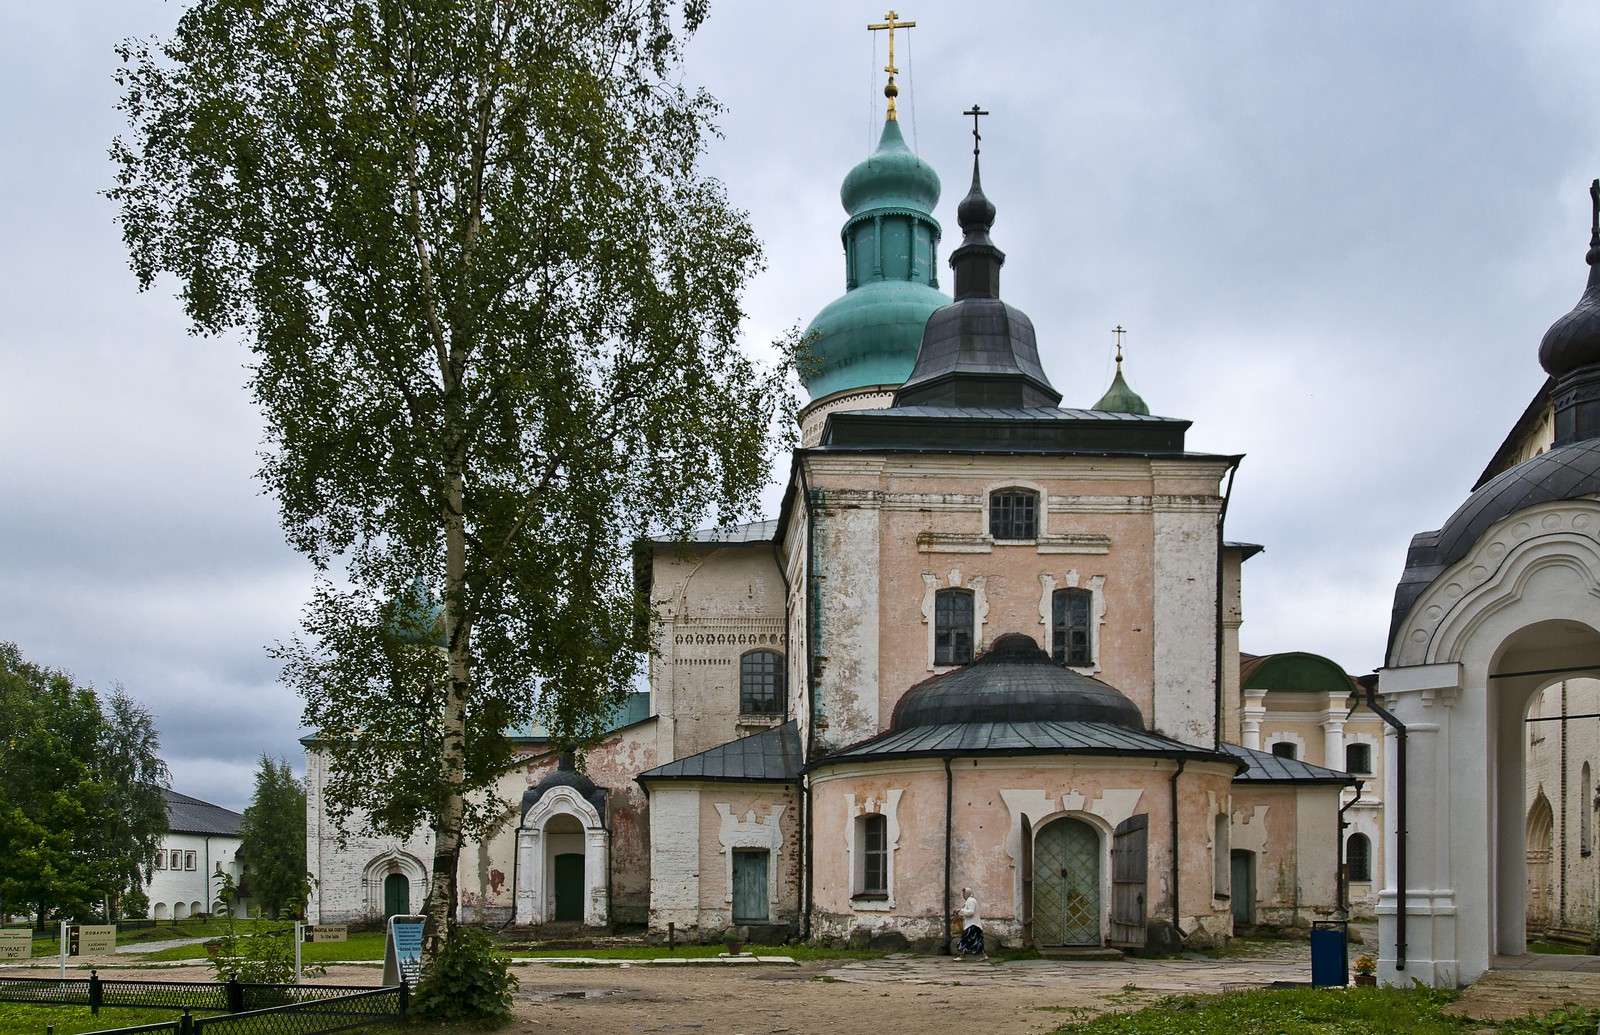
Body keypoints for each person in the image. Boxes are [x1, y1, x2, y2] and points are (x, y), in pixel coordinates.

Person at [950, 886, 986, 961]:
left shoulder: (971, 901)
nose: (962, 895)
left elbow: (971, 912)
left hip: (972, 925)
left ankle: (962, 956)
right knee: (977, 941)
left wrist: (961, 911)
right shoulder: (969, 901)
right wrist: (960, 912)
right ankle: (983, 955)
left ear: (967, 893)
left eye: (963, 893)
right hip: (973, 925)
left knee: (964, 940)